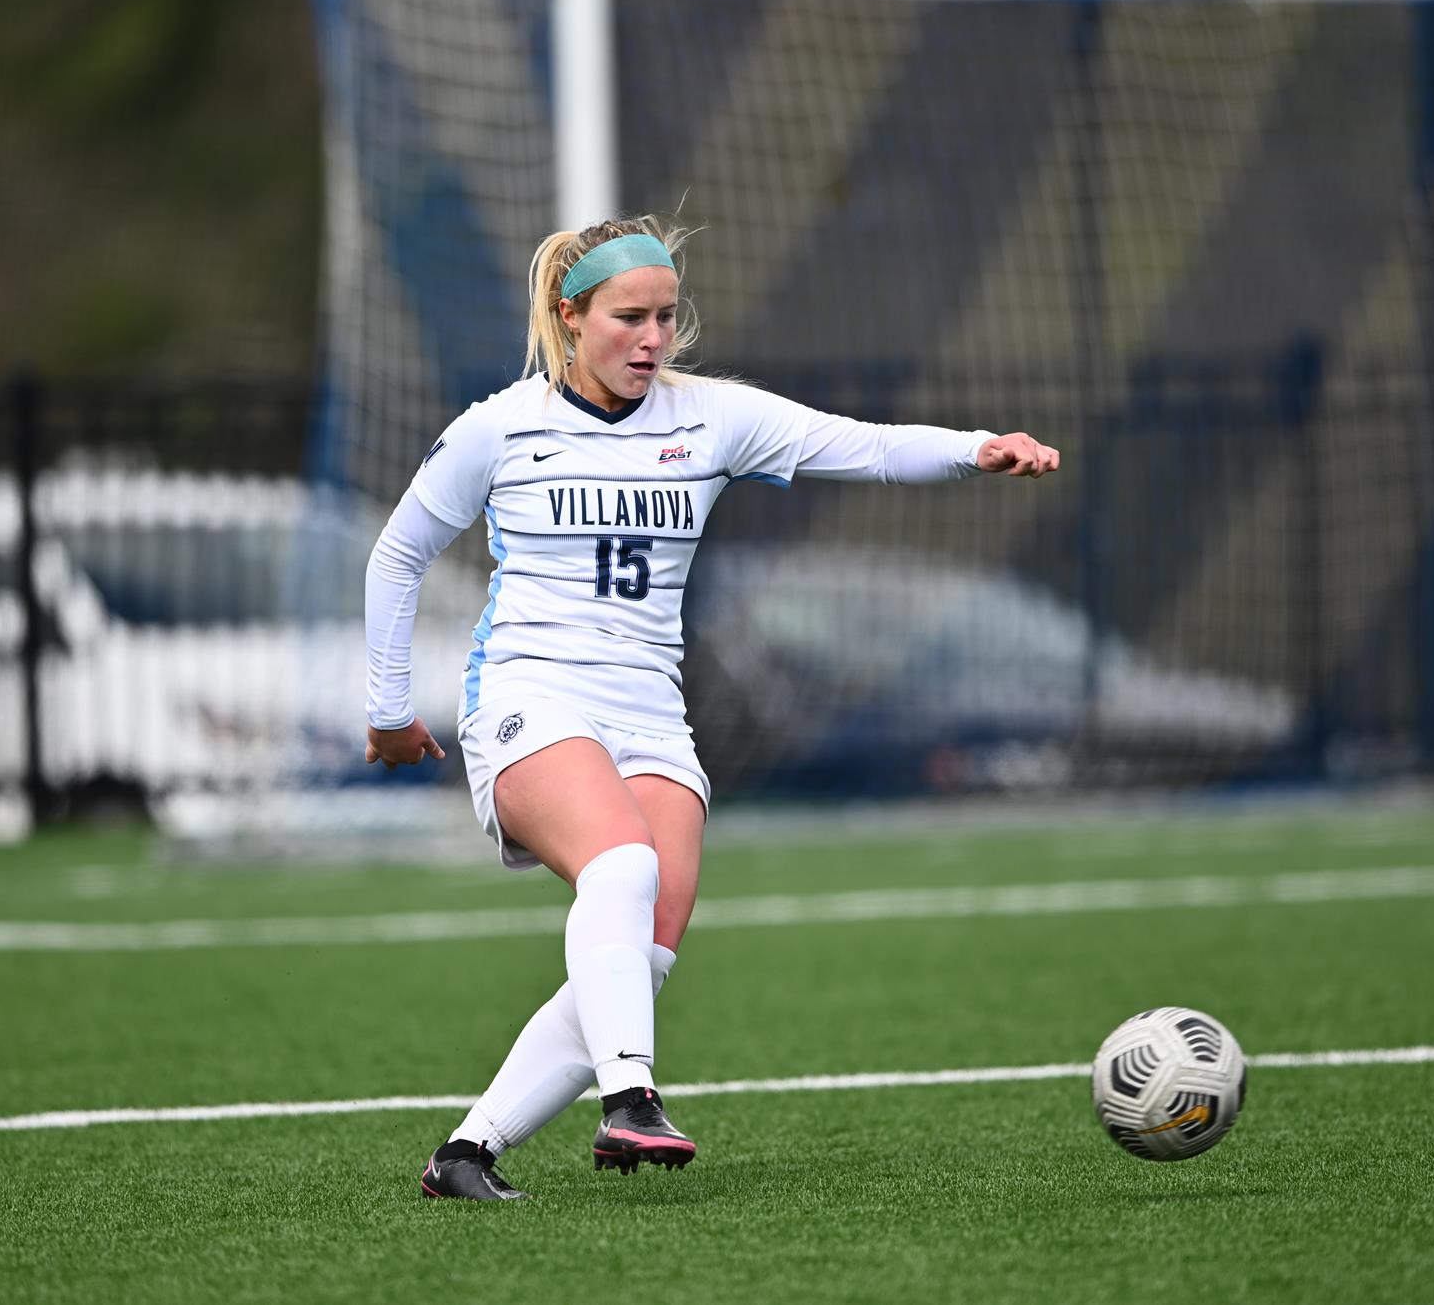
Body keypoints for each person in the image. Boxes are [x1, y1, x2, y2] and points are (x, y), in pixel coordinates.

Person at [363, 215, 1060, 1200]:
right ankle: (629, 1099)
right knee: (621, 861)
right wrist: (389, 708)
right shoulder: (497, 428)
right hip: (529, 696)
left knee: (639, 951)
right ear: (570, 319)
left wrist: (976, 447)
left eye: (665, 316)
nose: (652, 337)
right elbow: (397, 554)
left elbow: (854, 446)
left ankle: (466, 1153)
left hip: (648, 712)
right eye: (628, 317)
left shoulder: (708, 417)